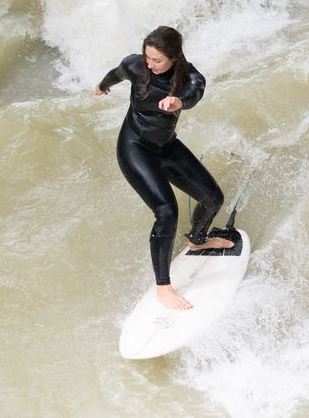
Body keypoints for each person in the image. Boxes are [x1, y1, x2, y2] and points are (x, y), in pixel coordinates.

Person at [94, 26, 234, 310]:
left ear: (174, 57)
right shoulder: (136, 65)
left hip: (166, 146)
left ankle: (198, 240)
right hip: (134, 147)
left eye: (156, 60)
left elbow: (194, 94)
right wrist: (102, 85)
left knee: (212, 199)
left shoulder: (191, 78)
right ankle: (163, 289)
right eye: (147, 57)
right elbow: (117, 73)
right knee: (167, 212)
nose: (149, 64)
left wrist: (178, 101)